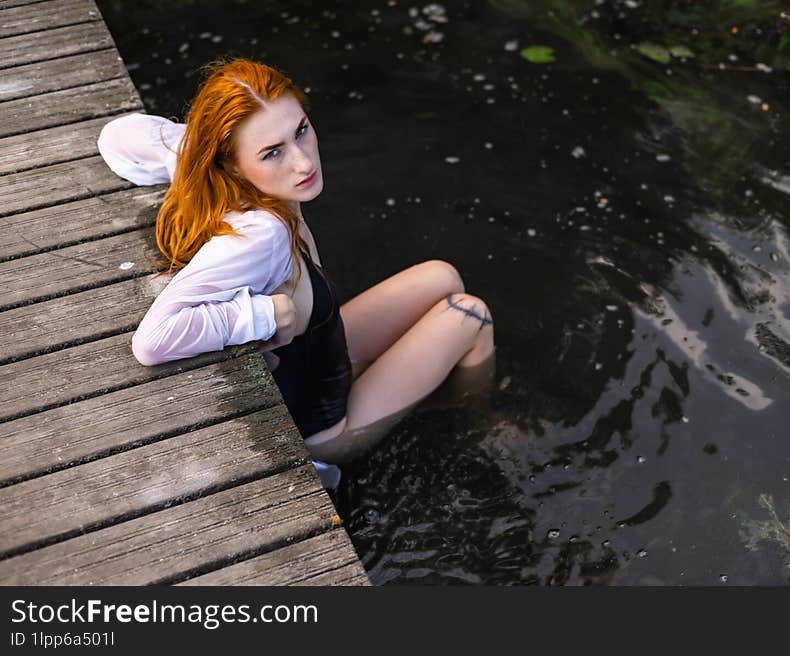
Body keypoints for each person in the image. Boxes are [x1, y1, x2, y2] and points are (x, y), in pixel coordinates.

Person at [97, 59, 496, 486]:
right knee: (469, 315)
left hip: (327, 356)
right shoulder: (260, 235)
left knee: (441, 275)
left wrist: (190, 145)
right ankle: (477, 427)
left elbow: (113, 137)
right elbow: (153, 341)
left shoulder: (230, 179)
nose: (303, 162)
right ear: (232, 165)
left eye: (301, 131)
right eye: (273, 152)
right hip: (327, 430)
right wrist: (262, 315)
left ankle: (424, 391)